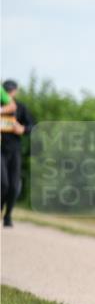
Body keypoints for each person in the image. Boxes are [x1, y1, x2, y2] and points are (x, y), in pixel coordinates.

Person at [1, 80, 35, 227]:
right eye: (6, 90)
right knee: (3, 183)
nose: (9, 93)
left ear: (15, 91)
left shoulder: (20, 108)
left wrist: (23, 129)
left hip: (15, 150)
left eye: (11, 90)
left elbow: (33, 126)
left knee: (14, 186)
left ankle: (8, 215)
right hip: (1, 150)